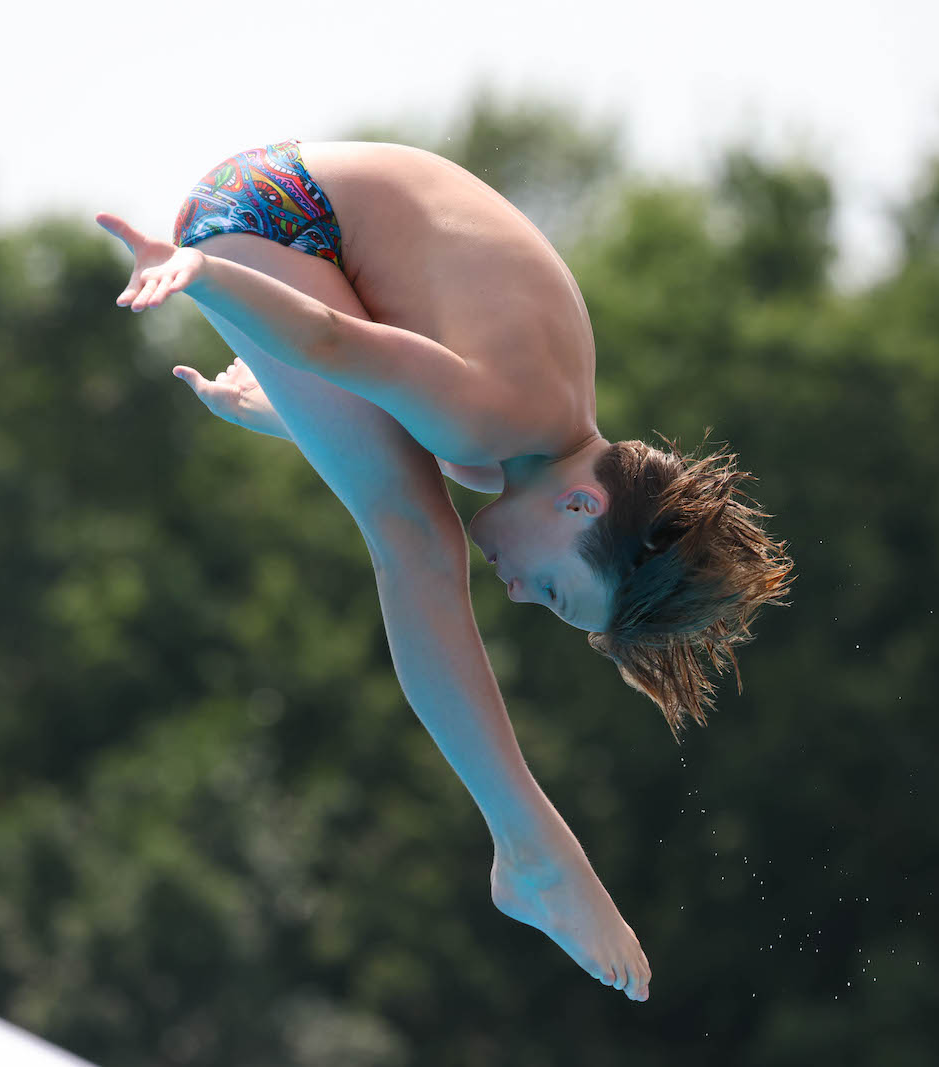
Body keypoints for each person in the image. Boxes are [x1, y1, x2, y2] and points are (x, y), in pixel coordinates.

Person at [97, 138, 792, 1003]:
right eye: (553, 590)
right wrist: (198, 272)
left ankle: (530, 847)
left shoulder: (535, 428)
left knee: (431, 492)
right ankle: (532, 846)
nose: (516, 592)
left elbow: (384, 366)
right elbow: (327, 339)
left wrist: (292, 414)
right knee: (419, 538)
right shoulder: (486, 417)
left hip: (293, 214)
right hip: (270, 216)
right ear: (585, 509)